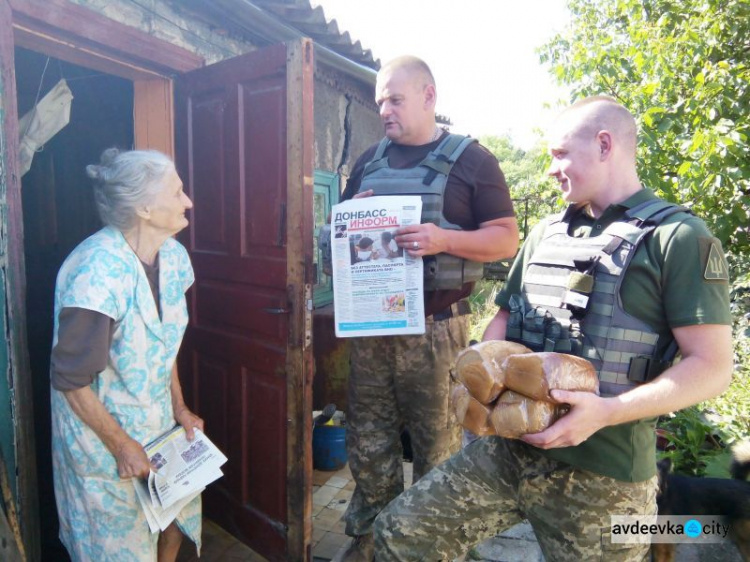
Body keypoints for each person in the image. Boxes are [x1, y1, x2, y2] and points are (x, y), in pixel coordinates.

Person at [373, 96, 734, 561]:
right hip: (509, 452)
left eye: (560, 154)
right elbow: (505, 317)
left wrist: (606, 410)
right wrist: (485, 372)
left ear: (605, 144)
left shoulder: (679, 238)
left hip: (604, 477)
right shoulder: (545, 233)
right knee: (399, 535)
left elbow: (712, 367)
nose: (551, 169)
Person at [335, 55, 519, 561]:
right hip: (373, 327)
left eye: (395, 99)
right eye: (380, 103)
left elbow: (506, 239)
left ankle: (428, 548)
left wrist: (443, 239)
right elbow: (342, 235)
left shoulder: (471, 160)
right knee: (369, 445)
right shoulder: (369, 160)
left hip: (436, 334)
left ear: (428, 96)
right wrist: (353, 217)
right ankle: (370, 541)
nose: (385, 111)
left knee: (436, 449)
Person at [50, 148, 202, 561]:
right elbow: (70, 380)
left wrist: (180, 407)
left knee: (171, 525)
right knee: (120, 549)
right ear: (146, 208)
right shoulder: (97, 272)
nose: (187, 201)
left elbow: (163, 339)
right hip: (103, 440)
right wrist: (120, 444)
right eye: (178, 192)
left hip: (155, 427)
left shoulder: (172, 256)